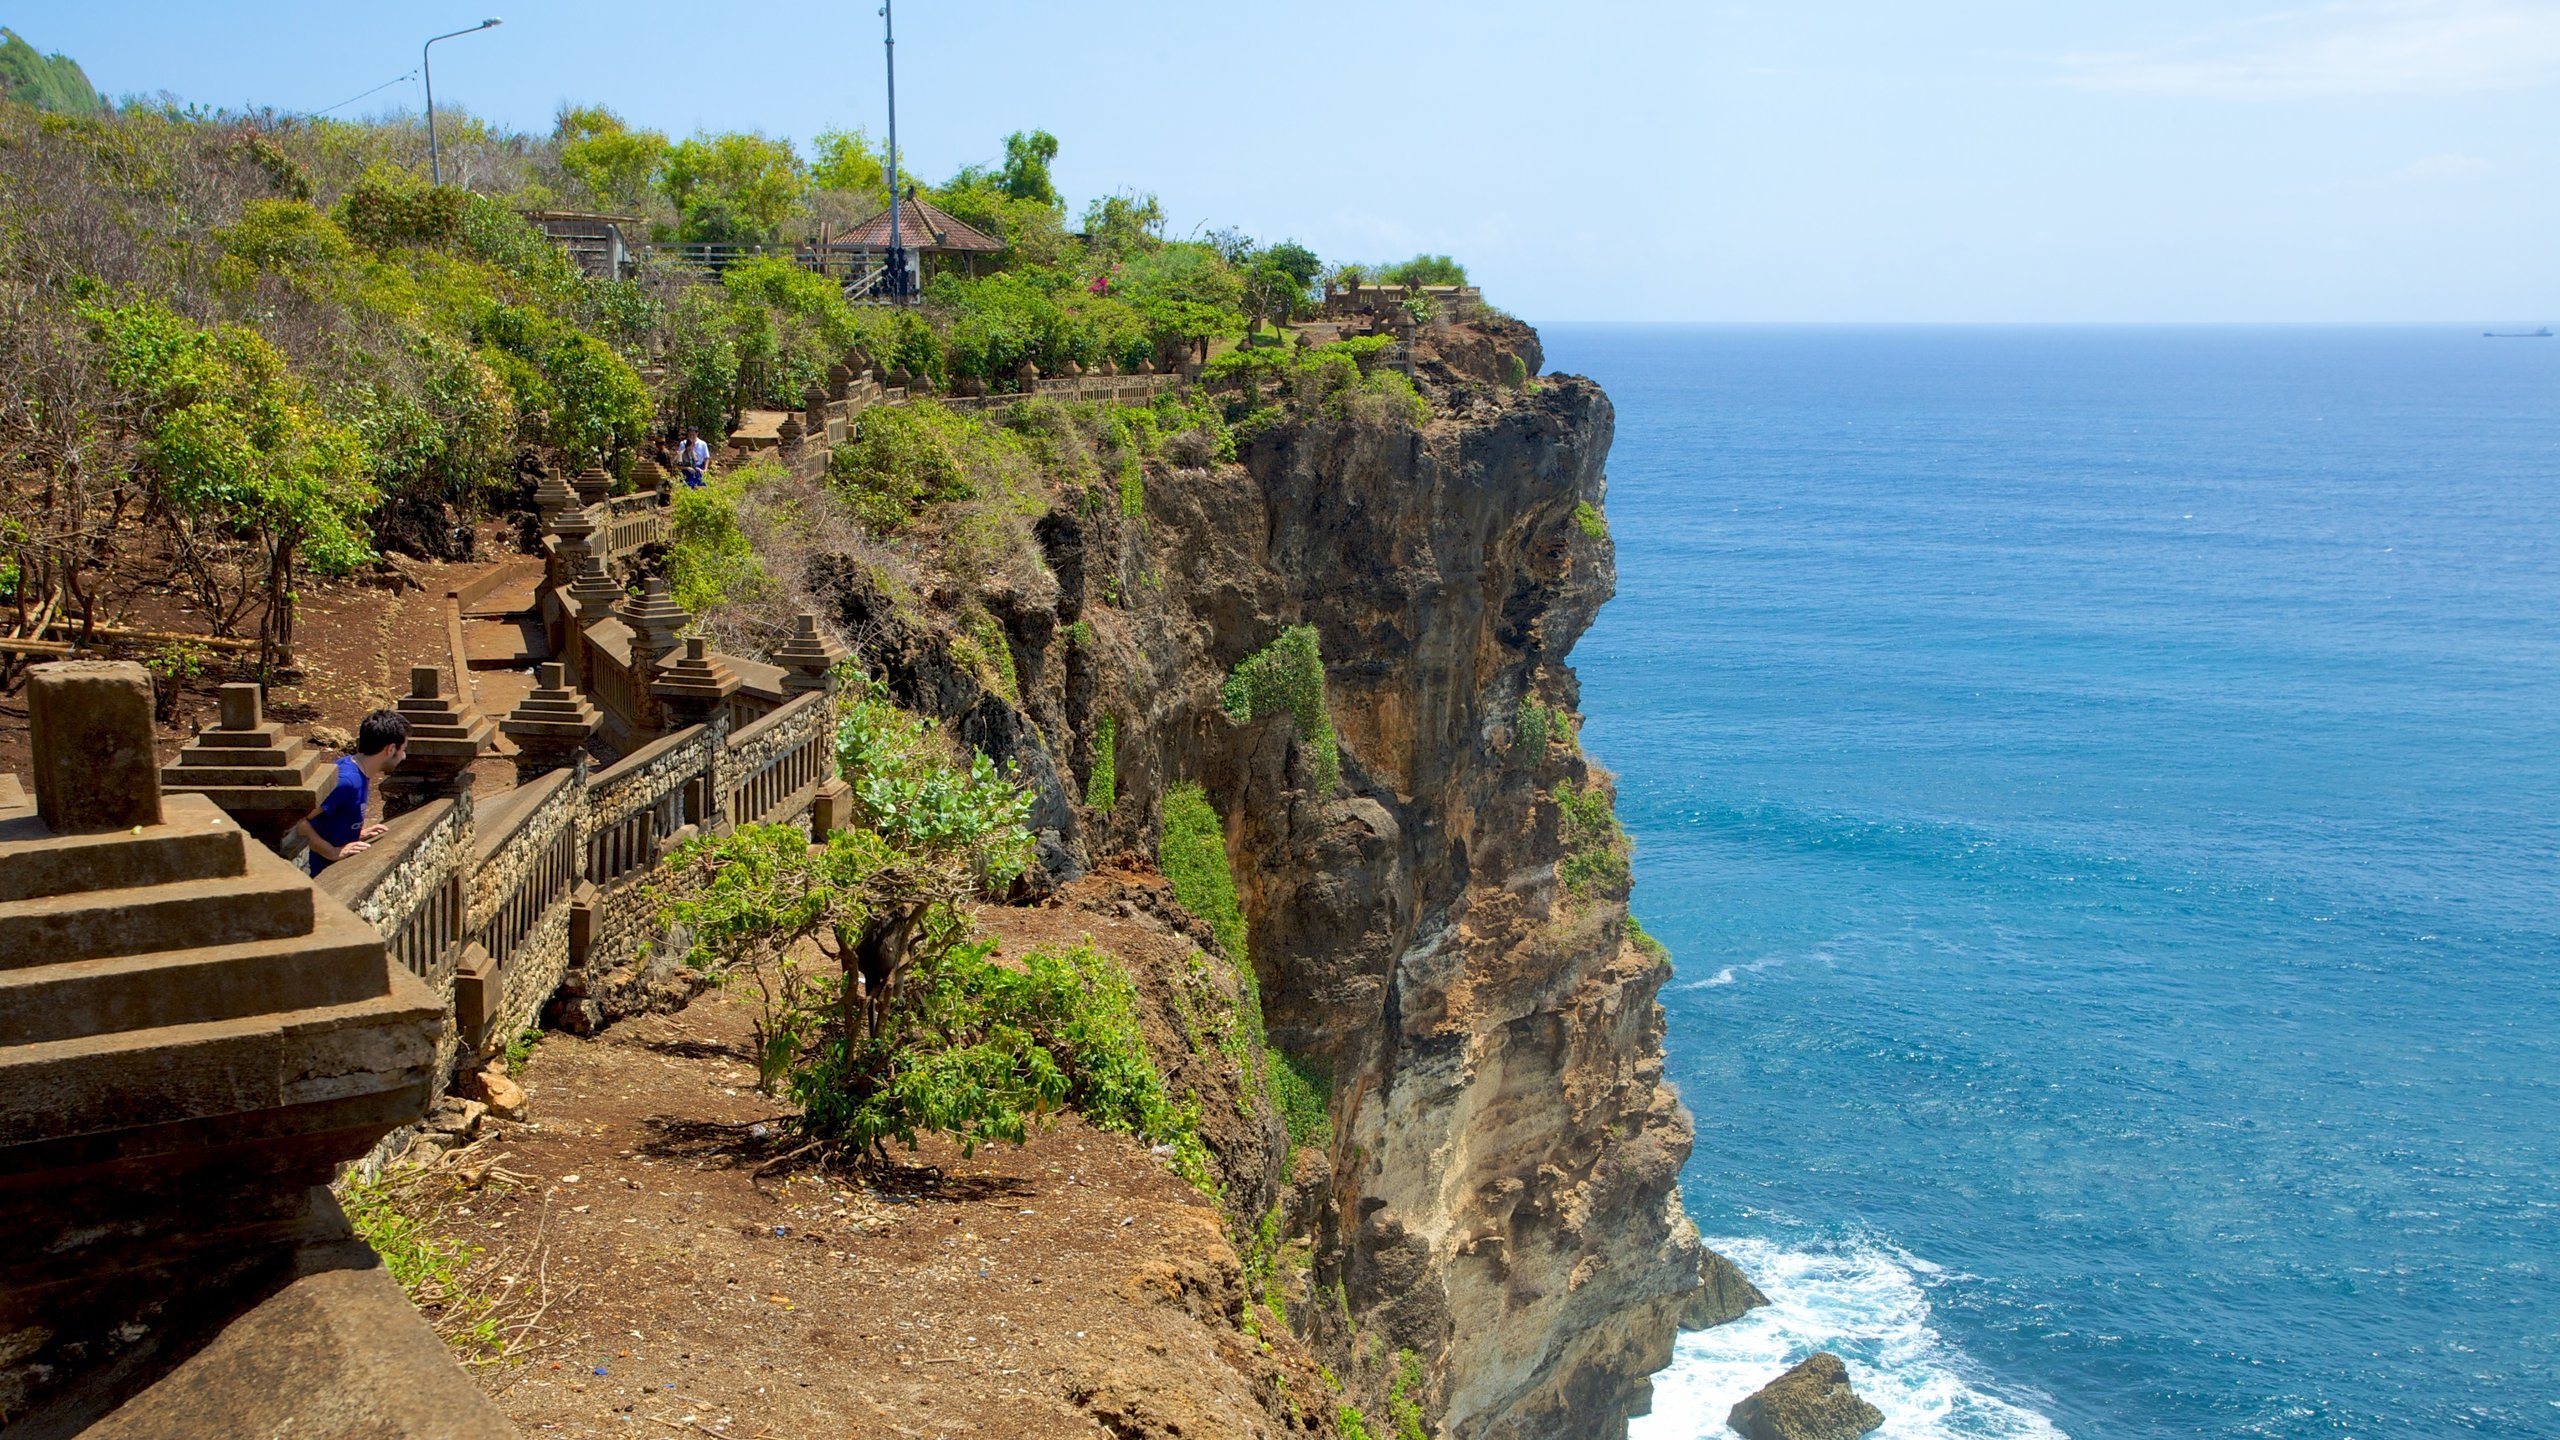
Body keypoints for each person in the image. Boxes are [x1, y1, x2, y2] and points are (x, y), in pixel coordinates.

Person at [296, 709, 409, 874]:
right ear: (390, 749)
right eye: (403, 749)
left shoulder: (355, 768)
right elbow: (298, 821)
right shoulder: (346, 781)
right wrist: (332, 852)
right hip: (321, 875)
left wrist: (355, 834)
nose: (404, 756)